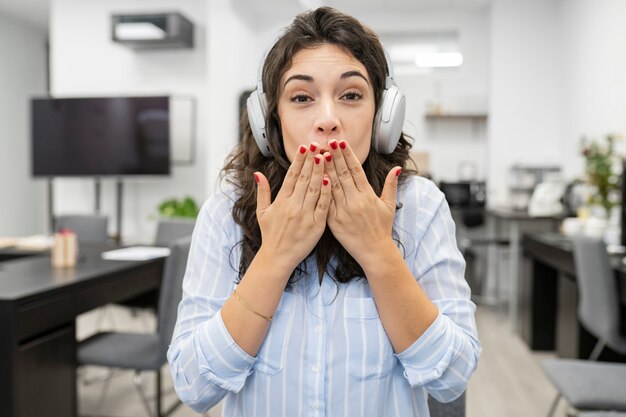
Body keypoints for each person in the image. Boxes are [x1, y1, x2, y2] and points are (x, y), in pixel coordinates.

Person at [167, 7, 481, 416]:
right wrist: (276, 256)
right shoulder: (228, 209)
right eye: (301, 98)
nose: (328, 120)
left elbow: (452, 378)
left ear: (383, 116)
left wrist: (379, 253)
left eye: (351, 95)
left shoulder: (420, 206)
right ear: (270, 122)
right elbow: (194, 385)